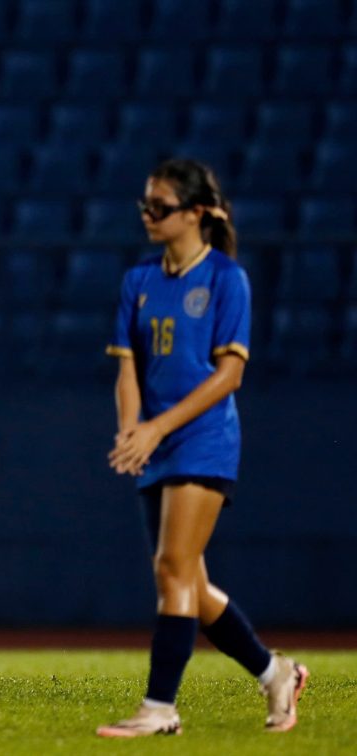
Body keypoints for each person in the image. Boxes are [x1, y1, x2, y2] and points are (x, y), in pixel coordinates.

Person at [98, 159, 308, 737]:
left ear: (195, 213)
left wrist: (156, 430)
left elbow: (229, 375)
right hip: (156, 440)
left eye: (159, 207)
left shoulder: (224, 278)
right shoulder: (139, 279)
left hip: (203, 439)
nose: (148, 215)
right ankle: (274, 673)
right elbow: (128, 369)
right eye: (146, 205)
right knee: (186, 580)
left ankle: (160, 707)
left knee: (172, 570)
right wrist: (130, 429)